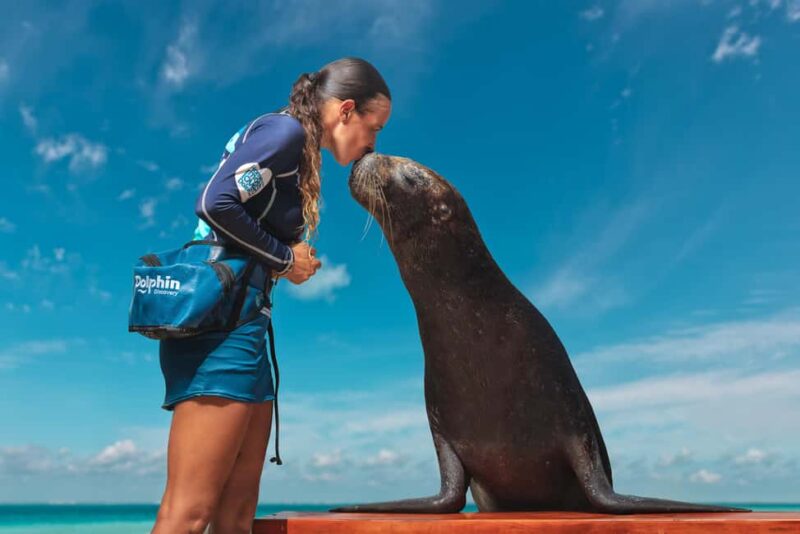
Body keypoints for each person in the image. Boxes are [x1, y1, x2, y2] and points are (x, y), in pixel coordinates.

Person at [152, 57, 391, 534]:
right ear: (346, 111)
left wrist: (283, 259)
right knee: (189, 513)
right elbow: (214, 201)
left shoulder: (295, 147)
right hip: (218, 328)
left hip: (247, 327)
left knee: (236, 515)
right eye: (374, 126)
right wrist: (285, 258)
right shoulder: (286, 135)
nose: (373, 142)